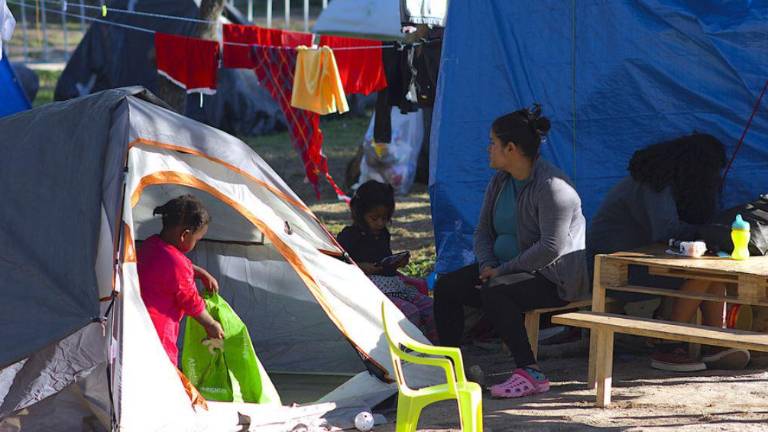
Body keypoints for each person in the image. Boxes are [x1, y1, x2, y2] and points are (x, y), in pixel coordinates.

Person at [432, 105, 589, 398]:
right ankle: (449, 367)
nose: (488, 148)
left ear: (511, 148)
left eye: (493, 142)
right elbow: (482, 231)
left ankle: (530, 372)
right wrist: (487, 264)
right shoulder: (500, 181)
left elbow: (550, 248)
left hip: (552, 279)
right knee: (448, 287)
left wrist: (499, 272)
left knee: (496, 291)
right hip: (503, 270)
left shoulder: (553, 188)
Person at [588, 133, 749, 371]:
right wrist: (711, 233)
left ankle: (716, 343)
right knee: (701, 273)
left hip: (633, 261)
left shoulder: (659, 181)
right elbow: (666, 230)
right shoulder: (653, 185)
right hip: (612, 270)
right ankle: (668, 343)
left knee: (715, 273)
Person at [337, 180, 438, 342]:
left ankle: (434, 347)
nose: (380, 223)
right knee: (409, 313)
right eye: (374, 218)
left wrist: (395, 263)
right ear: (360, 214)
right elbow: (336, 262)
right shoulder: (350, 236)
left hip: (395, 286)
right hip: (371, 292)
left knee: (431, 307)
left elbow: (383, 260)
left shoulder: (383, 234)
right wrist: (360, 267)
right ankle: (410, 351)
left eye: (385, 218)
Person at [137, 194, 225, 367]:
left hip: (138, 325)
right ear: (185, 235)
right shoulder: (177, 264)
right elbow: (190, 300)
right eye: (197, 239)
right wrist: (211, 324)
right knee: (164, 374)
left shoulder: (150, 245)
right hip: (160, 333)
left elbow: (165, 267)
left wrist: (198, 272)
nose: (197, 243)